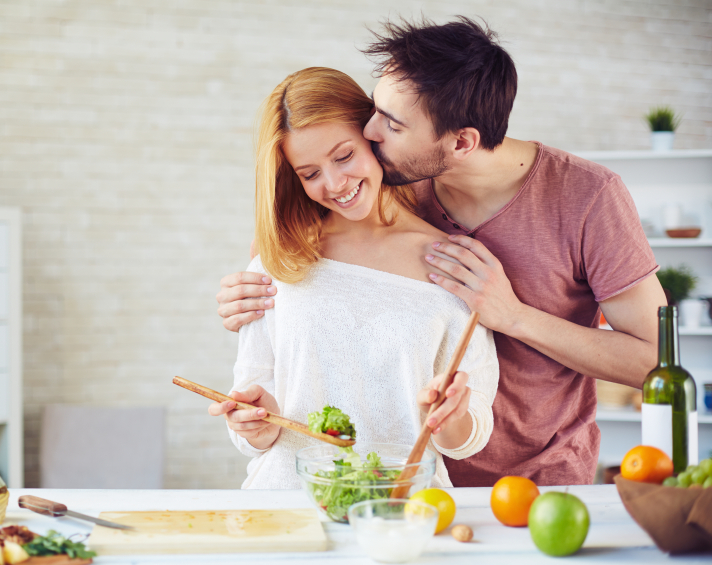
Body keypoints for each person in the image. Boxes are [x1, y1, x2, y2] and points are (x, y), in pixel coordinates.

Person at [216, 18, 667, 486]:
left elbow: (655, 363)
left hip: (532, 475)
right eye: (375, 109)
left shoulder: (588, 197)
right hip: (412, 483)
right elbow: (292, 249)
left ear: (461, 142)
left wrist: (513, 316)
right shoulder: (391, 179)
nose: (369, 130)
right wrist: (247, 288)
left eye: (390, 124)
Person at [208, 67, 500, 489]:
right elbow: (254, 428)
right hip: (288, 505)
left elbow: (471, 436)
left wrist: (451, 420)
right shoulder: (279, 263)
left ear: (373, 134)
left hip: (403, 509)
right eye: (309, 174)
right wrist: (255, 423)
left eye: (344, 156)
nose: (334, 184)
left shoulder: (453, 266)